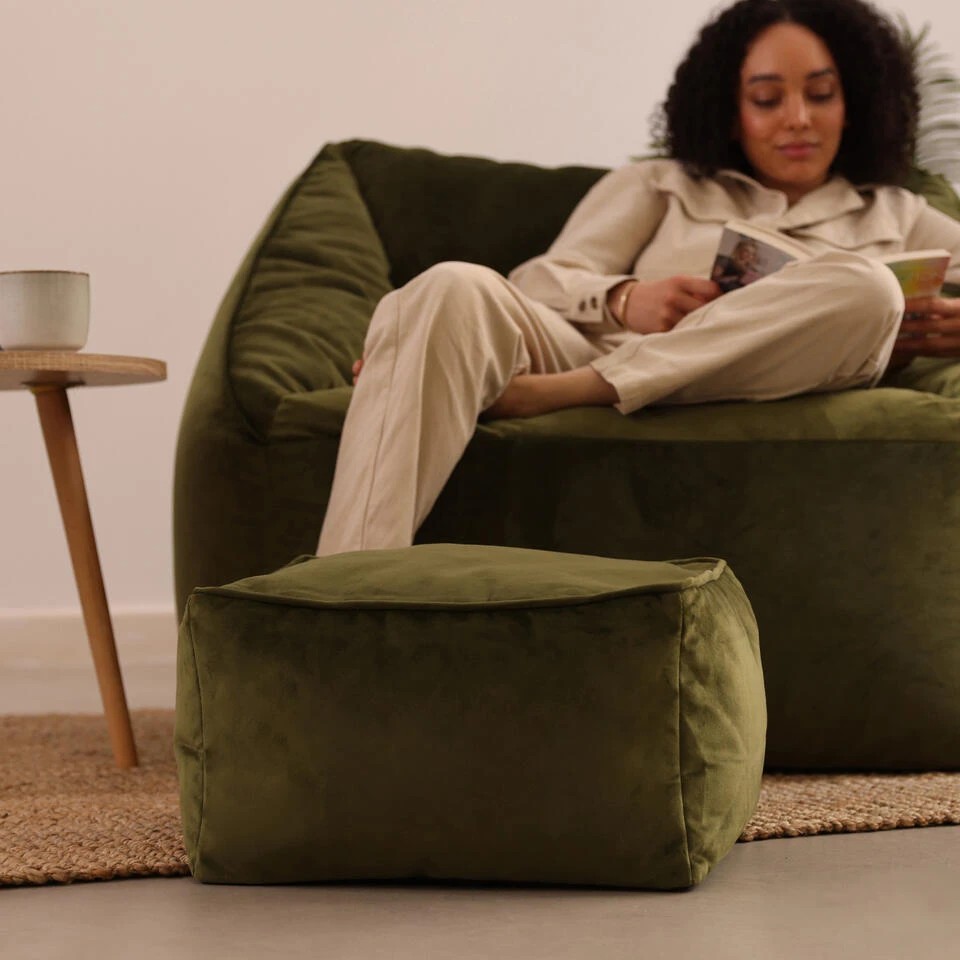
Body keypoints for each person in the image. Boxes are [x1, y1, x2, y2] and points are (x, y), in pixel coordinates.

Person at [317, 0, 960, 557]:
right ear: (730, 112)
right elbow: (540, 281)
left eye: (821, 95)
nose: (798, 117)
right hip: (594, 347)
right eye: (767, 99)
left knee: (869, 289)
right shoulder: (661, 184)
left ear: (853, 106)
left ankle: (568, 393)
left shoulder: (899, 213)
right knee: (447, 287)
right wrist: (625, 299)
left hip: (772, 369)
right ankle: (340, 592)